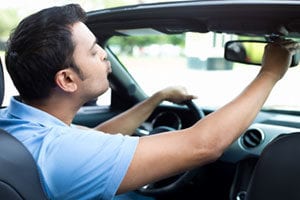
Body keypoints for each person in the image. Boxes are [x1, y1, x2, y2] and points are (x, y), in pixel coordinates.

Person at [0, 3, 299, 200]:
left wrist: (157, 98)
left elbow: (97, 139)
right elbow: (204, 145)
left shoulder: (18, 125)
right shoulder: (61, 152)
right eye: (94, 51)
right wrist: (271, 72)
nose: (104, 55)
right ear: (66, 80)